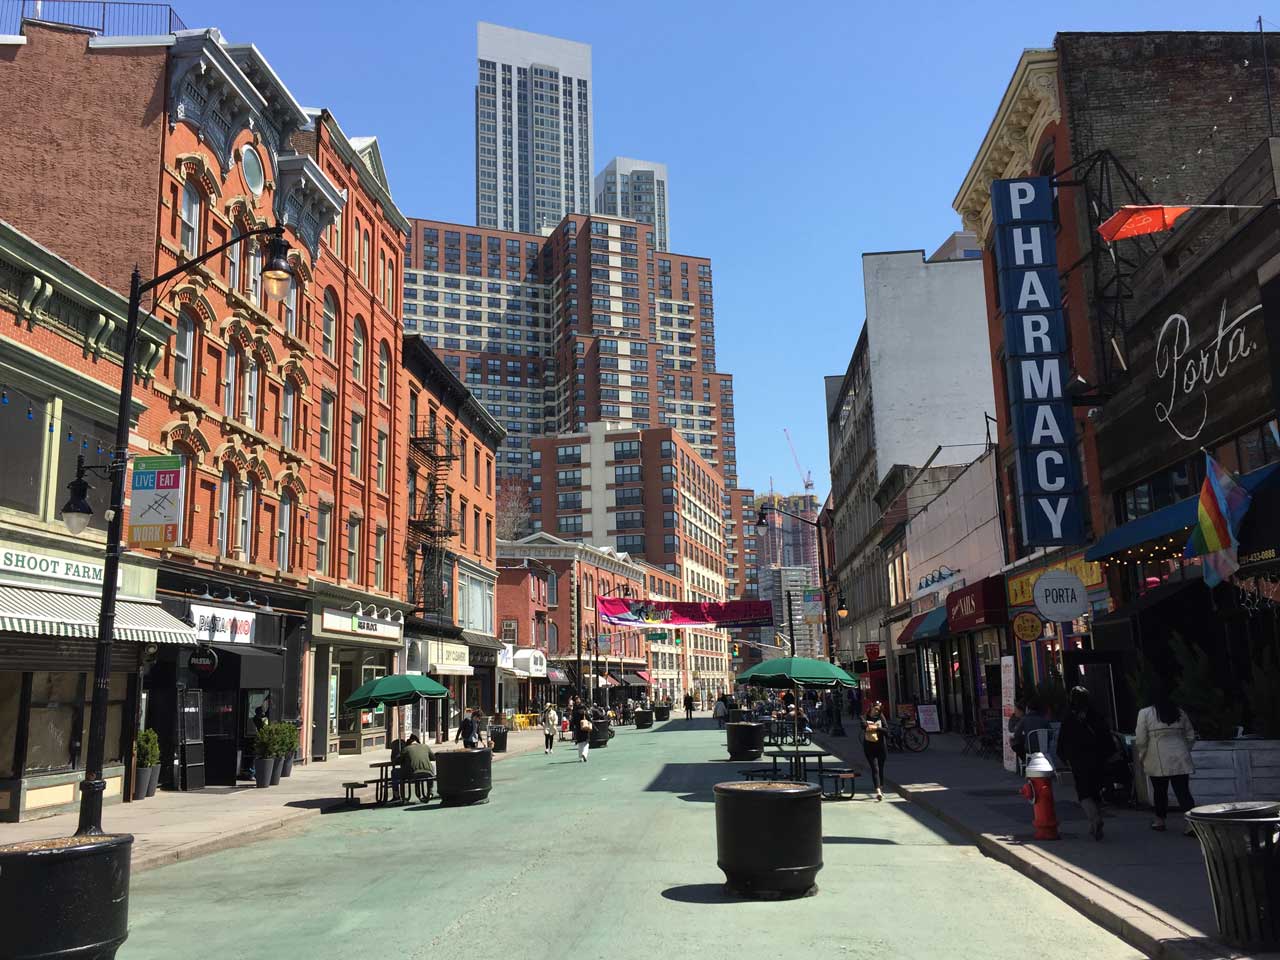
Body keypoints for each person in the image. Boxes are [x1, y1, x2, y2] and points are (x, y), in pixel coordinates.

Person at [1135, 688, 1198, 835]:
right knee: (1183, 792)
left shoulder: (1145, 713)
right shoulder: (1180, 712)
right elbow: (1190, 735)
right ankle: (1192, 824)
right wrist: (1184, 749)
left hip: (1156, 756)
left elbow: (1141, 739)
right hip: (1180, 755)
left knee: (1159, 791)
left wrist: (1142, 755)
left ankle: (1160, 821)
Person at [1056, 686, 1115, 840]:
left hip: (1078, 761)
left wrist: (1064, 758)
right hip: (1098, 759)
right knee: (1095, 791)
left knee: (1083, 792)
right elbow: (1106, 736)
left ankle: (1094, 819)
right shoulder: (1096, 716)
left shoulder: (1069, 718)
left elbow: (1062, 742)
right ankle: (1093, 823)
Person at [393, 734, 435, 800]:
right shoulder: (425, 746)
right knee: (432, 767)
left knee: (394, 772)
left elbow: (396, 761)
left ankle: (397, 795)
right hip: (428, 773)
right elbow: (433, 758)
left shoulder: (406, 749)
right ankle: (430, 792)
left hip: (412, 774)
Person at [1010, 696, 1051, 764]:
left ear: (1028, 709)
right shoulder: (1044, 719)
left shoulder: (1025, 719)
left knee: (1014, 742)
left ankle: (1025, 761)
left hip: (1030, 748)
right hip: (1044, 748)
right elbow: (1050, 734)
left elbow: (1017, 734)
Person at [862, 701, 888, 801]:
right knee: (875, 768)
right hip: (869, 747)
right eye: (875, 709)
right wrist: (875, 728)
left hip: (881, 746)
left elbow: (886, 729)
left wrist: (875, 727)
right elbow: (864, 726)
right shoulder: (864, 717)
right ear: (871, 707)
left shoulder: (881, 717)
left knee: (881, 768)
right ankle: (878, 791)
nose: (877, 711)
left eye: (879, 709)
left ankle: (881, 788)